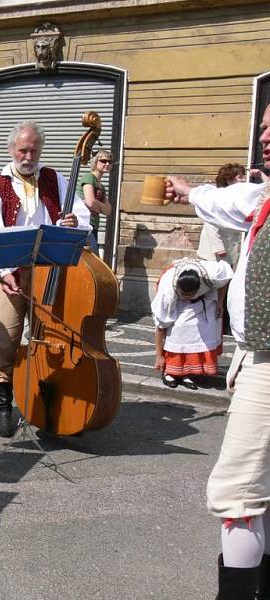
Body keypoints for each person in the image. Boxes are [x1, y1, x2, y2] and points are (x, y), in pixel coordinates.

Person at [165, 101, 270, 599]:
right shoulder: (263, 196)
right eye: (264, 128)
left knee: (237, 495)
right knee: (262, 494)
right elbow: (225, 200)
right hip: (256, 356)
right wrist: (187, 191)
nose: (264, 137)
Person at [0, 120, 91, 438]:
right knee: (4, 341)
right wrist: (4, 274)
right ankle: (3, 407)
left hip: (49, 272)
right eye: (23, 149)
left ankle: (53, 406)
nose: (28, 155)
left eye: (34, 149)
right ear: (12, 149)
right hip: (10, 274)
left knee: (53, 339)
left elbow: (83, 215)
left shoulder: (55, 179)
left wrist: (73, 220)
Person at [151, 258, 232, 390]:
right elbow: (160, 325)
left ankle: (187, 372)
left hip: (205, 297)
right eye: (185, 295)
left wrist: (220, 302)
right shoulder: (167, 290)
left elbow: (226, 277)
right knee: (179, 328)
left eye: (190, 295)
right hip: (177, 299)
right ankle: (170, 371)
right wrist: (159, 356)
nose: (188, 297)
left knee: (206, 325)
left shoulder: (211, 273)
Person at [197, 163, 246, 269]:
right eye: (240, 177)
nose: (244, 180)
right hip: (216, 252)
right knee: (214, 281)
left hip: (229, 249)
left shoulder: (236, 196)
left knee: (226, 279)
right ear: (229, 180)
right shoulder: (218, 196)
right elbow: (210, 223)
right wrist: (219, 248)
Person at [77, 148, 113, 252]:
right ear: (95, 161)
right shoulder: (89, 177)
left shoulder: (101, 186)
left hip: (94, 225)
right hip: (85, 225)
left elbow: (108, 210)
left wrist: (96, 205)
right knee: (94, 257)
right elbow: (91, 202)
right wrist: (98, 206)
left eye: (110, 162)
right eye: (103, 161)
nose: (107, 164)